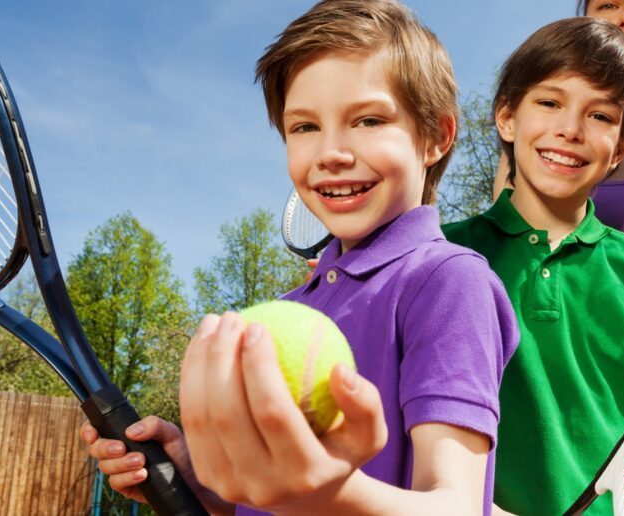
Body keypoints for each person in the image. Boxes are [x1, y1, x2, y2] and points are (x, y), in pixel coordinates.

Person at [79, 1, 519, 514]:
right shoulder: (285, 311)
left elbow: (457, 506)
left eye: (368, 119)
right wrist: (201, 482)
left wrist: (327, 493)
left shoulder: (447, 282)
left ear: (436, 138)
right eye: (304, 127)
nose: (330, 151)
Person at [444, 17, 624, 515]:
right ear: (507, 117)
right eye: (549, 103)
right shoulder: (443, 256)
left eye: (600, 116)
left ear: (621, 146)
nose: (569, 130)